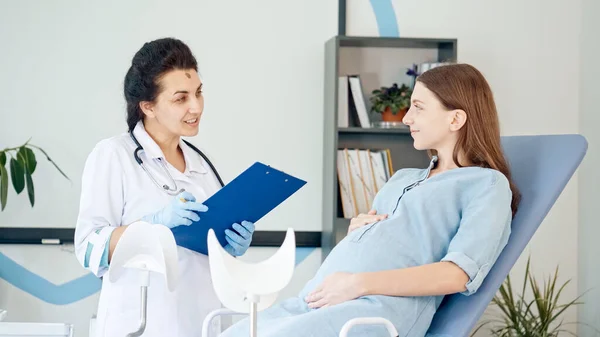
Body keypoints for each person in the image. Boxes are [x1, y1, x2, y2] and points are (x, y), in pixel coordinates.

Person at [219, 63, 521, 337]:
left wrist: (359, 282)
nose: (406, 118)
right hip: (315, 301)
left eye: (418, 107)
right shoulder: (404, 177)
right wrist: (359, 231)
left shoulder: (486, 184)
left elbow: (457, 274)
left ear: (455, 118)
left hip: (374, 311)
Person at [74, 37, 256, 337]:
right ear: (148, 106)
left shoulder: (201, 165)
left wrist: (228, 246)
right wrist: (152, 225)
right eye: (180, 98)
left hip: (203, 321)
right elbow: (87, 248)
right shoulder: (113, 156)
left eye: (198, 93)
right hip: (142, 322)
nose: (196, 106)